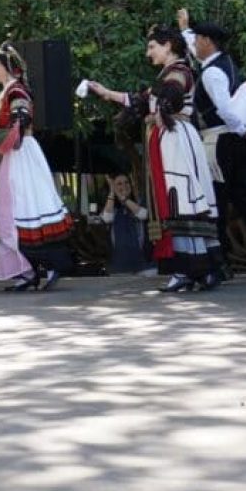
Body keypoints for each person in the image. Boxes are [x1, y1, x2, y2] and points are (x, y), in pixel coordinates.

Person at [88, 25, 220, 291]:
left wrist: (161, 110)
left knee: (180, 199)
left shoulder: (179, 72)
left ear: (168, 45)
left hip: (176, 141)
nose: (149, 53)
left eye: (152, 47)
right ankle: (196, 269)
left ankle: (191, 269)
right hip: (170, 141)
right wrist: (105, 92)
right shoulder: (168, 74)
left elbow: (170, 95)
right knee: (176, 200)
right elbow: (140, 99)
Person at [0, 42, 74, 291]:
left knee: (27, 207)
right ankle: (25, 269)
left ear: (7, 67)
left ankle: (47, 265)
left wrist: (16, 124)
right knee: (13, 210)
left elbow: (21, 115)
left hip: (21, 154)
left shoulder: (17, 91)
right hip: (11, 155)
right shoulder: (7, 91)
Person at [178, 10, 246, 278]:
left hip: (221, 142)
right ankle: (219, 264)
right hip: (232, 141)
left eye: (197, 40)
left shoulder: (211, 74)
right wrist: (185, 29)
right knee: (242, 198)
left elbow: (225, 109)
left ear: (207, 41)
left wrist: (244, 131)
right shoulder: (224, 63)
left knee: (217, 201)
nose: (194, 45)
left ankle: (218, 265)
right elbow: (195, 54)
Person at [100, 174, 153, 274]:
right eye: (119, 184)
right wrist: (112, 191)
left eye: (126, 182)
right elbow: (107, 218)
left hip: (145, 264)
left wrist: (122, 197)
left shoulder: (139, 201)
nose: (124, 186)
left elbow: (143, 214)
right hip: (119, 266)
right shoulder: (110, 206)